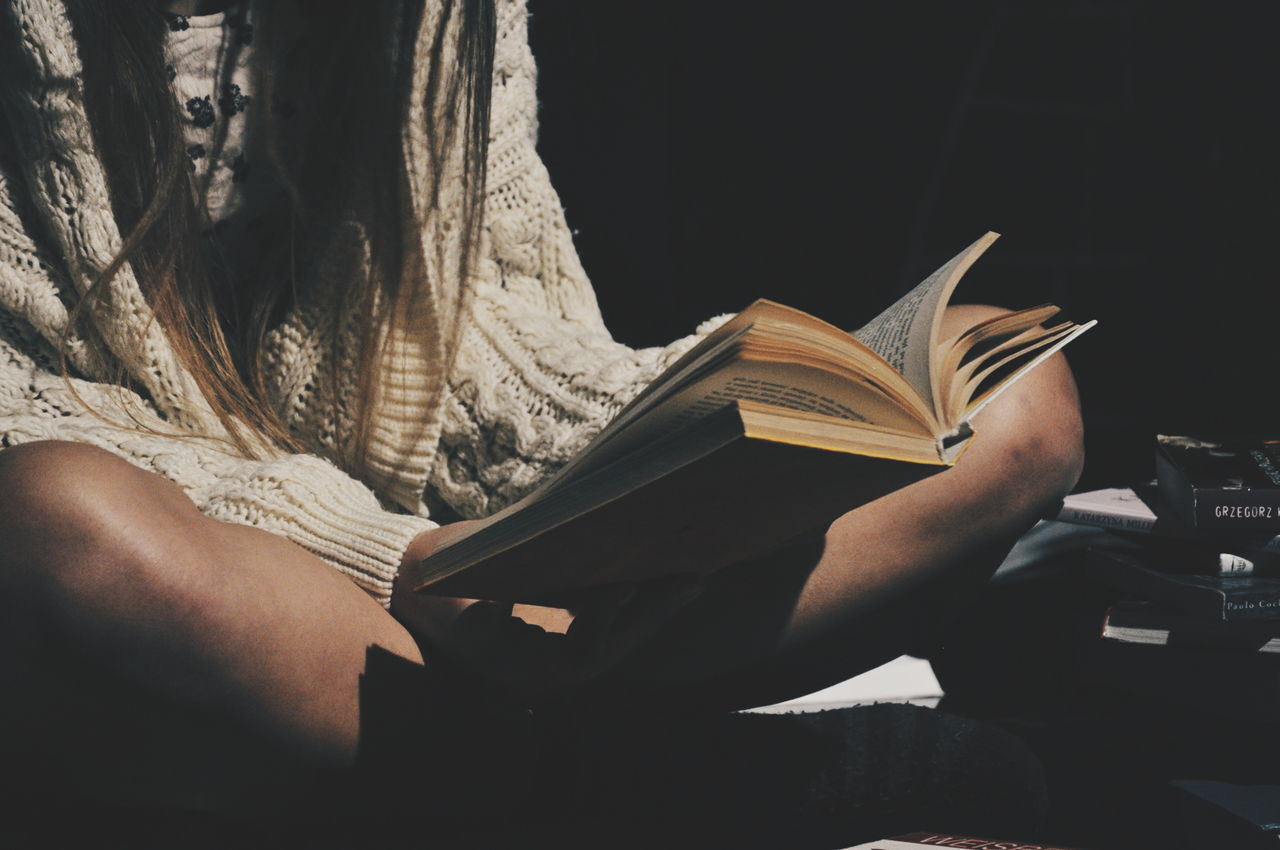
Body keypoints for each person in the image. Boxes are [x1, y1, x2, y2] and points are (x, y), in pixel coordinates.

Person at [0, 0, 1083, 838]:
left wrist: (635, 474)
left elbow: (480, 309)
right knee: (67, 525)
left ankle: (543, 767)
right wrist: (400, 566)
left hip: (443, 579)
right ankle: (637, 790)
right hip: (259, 572)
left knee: (1006, 401)